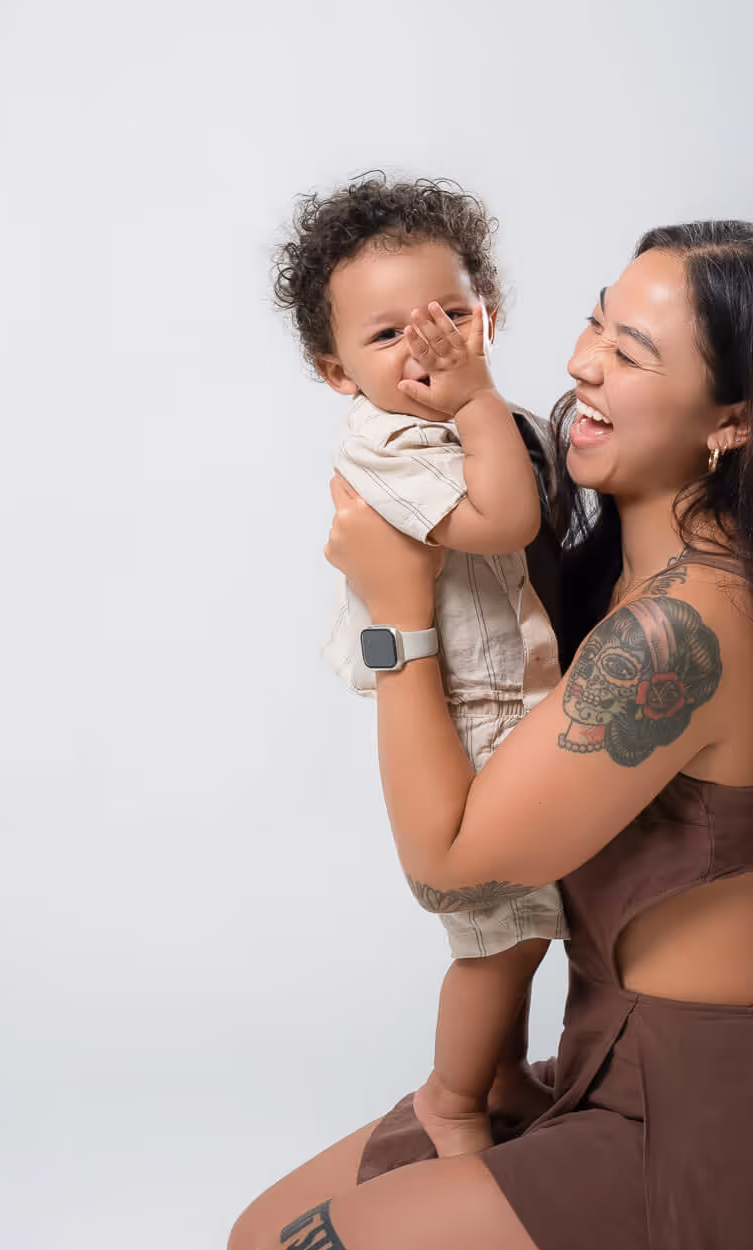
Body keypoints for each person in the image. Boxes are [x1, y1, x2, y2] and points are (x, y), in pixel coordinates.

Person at [226, 220, 753, 1250]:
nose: (585, 362)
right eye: (597, 320)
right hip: (604, 1066)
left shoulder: (683, 632)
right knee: (253, 1248)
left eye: (634, 352)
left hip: (708, 1125)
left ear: (734, 423)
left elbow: (451, 857)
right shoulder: (621, 582)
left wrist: (397, 619)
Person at [273, 174, 566, 1158]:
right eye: (388, 335)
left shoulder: (479, 417)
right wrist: (477, 397)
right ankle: (450, 1096)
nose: (426, 347)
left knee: (525, 923)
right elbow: (506, 519)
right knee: (491, 932)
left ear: (490, 313)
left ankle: (507, 1074)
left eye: (449, 315)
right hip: (461, 710)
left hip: (507, 694)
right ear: (336, 371)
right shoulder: (389, 438)